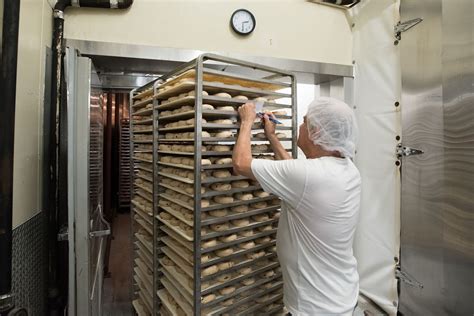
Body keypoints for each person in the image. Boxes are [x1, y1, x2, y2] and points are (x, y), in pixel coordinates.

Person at [232, 97, 361, 315]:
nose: (301, 127)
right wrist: (272, 136)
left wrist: (247, 121)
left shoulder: (310, 177)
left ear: (316, 132)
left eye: (304, 122)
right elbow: (294, 174)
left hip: (315, 308)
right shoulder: (347, 170)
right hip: (343, 297)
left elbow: (241, 164)